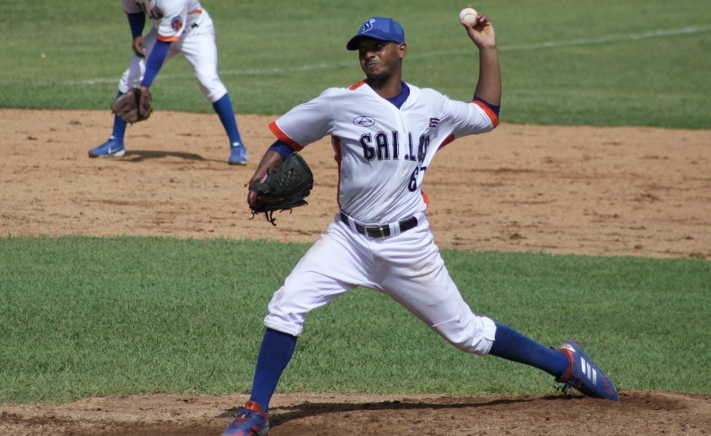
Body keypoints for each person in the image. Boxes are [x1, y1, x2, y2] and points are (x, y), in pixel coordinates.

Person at [222, 12, 618, 436]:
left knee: (468, 335)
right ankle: (255, 410)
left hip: (409, 246)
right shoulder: (339, 102)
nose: (369, 54)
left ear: (401, 51)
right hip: (348, 240)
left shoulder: (431, 107)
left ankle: (566, 364)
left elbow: (486, 112)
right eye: (362, 49)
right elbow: (285, 138)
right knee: (286, 305)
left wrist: (487, 49)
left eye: (377, 46)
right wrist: (260, 177)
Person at [89, 0, 248, 165]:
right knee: (130, 77)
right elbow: (134, 10)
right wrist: (136, 35)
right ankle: (115, 142)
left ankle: (238, 146)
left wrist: (145, 85)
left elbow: (164, 45)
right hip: (161, 30)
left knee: (207, 81)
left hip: (195, 33)